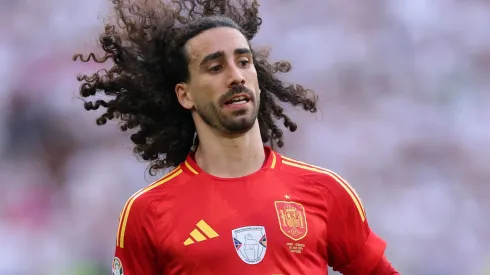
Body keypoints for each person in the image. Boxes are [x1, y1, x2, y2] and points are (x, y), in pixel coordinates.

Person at [74, 0, 400, 274]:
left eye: (243, 62)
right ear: (184, 94)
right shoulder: (147, 212)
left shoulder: (325, 191)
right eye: (215, 67)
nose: (236, 76)